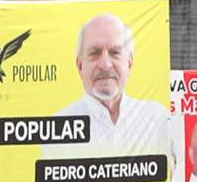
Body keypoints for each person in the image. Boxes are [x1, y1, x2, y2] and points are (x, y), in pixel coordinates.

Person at [44, 14, 170, 159]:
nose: (105, 65)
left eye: (115, 52)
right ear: (80, 66)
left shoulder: (157, 119)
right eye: (94, 53)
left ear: (129, 64)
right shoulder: (57, 128)